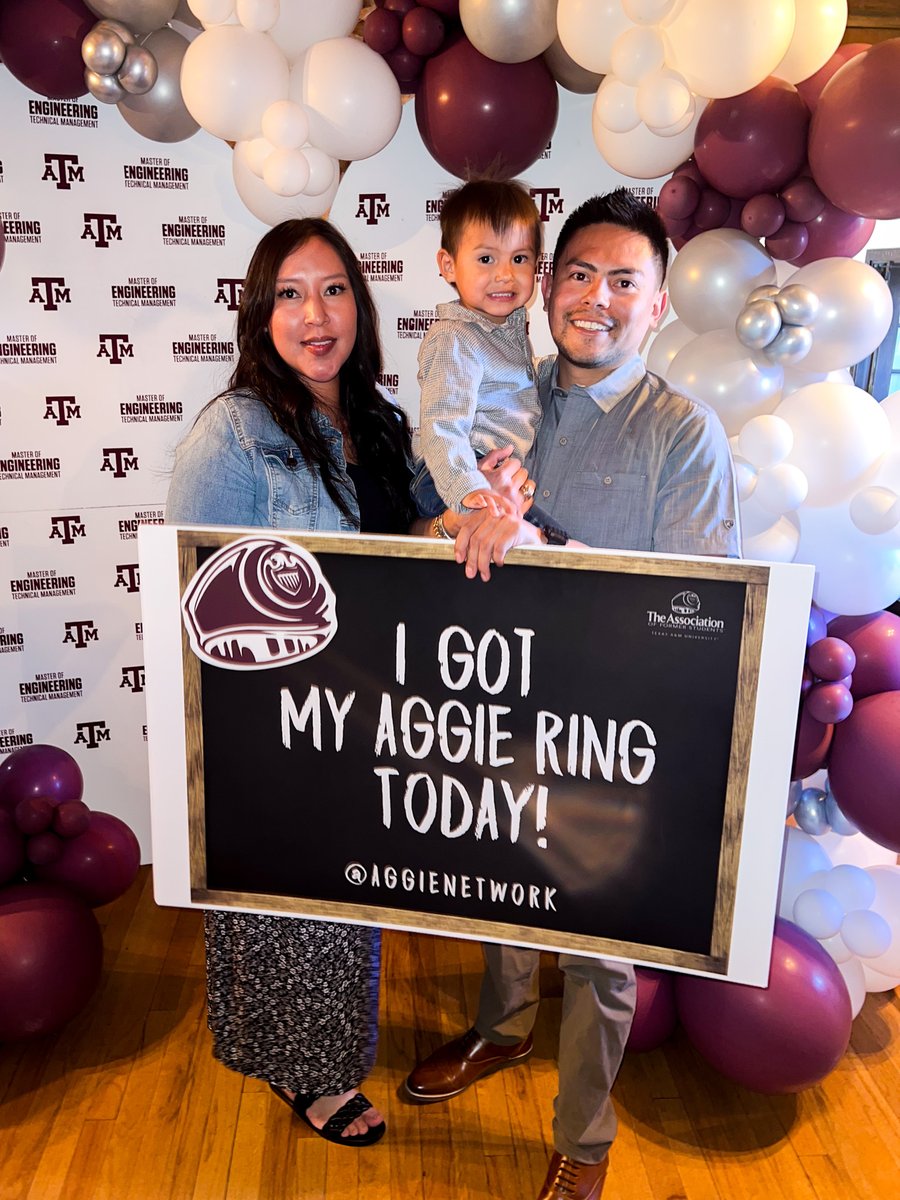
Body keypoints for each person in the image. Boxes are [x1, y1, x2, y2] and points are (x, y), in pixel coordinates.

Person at [406, 189, 742, 1200]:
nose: (598, 297)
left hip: (617, 724)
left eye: (624, 281)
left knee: (603, 948)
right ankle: (501, 1032)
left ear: (659, 304)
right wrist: (452, 527)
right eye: (580, 275)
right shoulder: (505, 389)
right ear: (548, 289)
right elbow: (432, 521)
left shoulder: (684, 432)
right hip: (507, 696)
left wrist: (543, 544)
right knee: (503, 882)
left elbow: (697, 602)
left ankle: (584, 1145)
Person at [166, 218, 438, 1148]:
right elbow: (196, 594)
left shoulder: (380, 421)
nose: (315, 315)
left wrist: (487, 513)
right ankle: (307, 1071)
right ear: (260, 311)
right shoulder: (235, 433)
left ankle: (309, 1044)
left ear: (359, 304)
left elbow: (418, 543)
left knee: (342, 900)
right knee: (296, 909)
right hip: (278, 716)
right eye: (290, 293)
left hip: (367, 706)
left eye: (333, 290)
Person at [412, 177, 545, 522]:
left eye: (519, 258)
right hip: (457, 474)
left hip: (492, 470)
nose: (505, 274)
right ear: (448, 265)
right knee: (554, 541)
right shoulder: (455, 338)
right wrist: (468, 488)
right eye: (486, 258)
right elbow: (442, 425)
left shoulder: (506, 332)